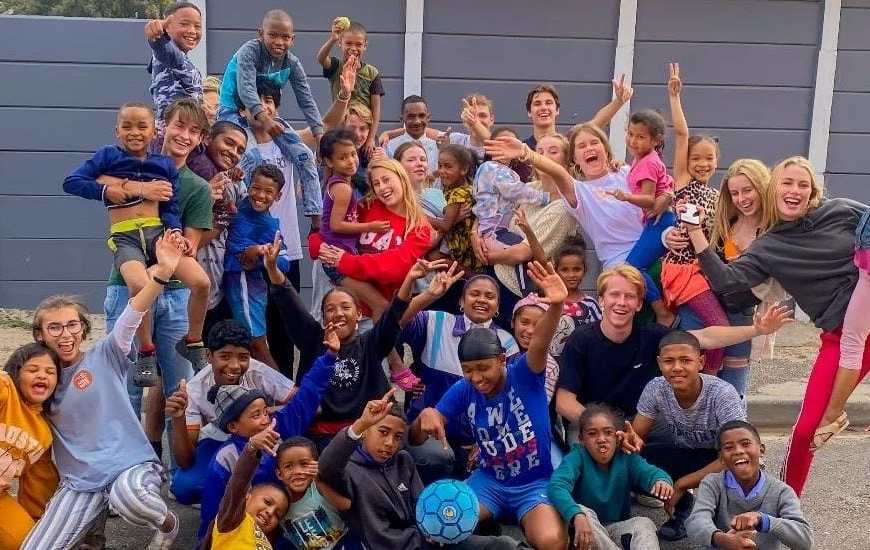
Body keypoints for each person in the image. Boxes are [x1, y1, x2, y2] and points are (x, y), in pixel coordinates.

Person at [684, 156, 870, 495]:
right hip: (842, 336)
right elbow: (726, 280)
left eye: (803, 184)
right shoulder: (769, 246)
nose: (794, 190)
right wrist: (695, 233)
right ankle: (788, 505)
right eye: (787, 183)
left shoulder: (841, 210)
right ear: (773, 189)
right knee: (806, 431)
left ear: (813, 191)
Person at [23, 232, 185, 549]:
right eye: (54, 327)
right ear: (40, 335)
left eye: (72, 325)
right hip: (81, 483)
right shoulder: (37, 379)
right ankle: (93, 534)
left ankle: (168, 525)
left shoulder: (106, 353)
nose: (65, 334)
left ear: (83, 329)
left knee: (128, 498)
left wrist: (163, 272)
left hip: (130, 468)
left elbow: (133, 313)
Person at [411, 262, 572, 550]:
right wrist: (426, 415)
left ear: (501, 360)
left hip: (533, 484)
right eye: (468, 370)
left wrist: (557, 305)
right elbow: (416, 437)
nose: (476, 378)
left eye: (483, 368)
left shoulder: (525, 375)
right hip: (489, 482)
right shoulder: (465, 388)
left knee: (552, 542)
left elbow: (540, 342)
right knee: (437, 529)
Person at [64, 100, 212, 383]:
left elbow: (169, 205)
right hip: (126, 236)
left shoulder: (165, 167)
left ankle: (194, 341)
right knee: (139, 286)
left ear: (152, 130)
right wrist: (109, 190)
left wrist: (175, 231)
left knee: (202, 282)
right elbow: (73, 181)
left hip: (158, 236)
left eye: (142, 126)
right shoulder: (109, 156)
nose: (135, 132)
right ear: (117, 130)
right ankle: (146, 351)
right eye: (127, 126)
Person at [554, 265, 790, 429]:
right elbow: (564, 402)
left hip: (641, 424)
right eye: (614, 295)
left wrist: (757, 330)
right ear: (601, 300)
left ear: (639, 304)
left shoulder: (651, 336)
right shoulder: (581, 340)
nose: (621, 303)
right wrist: (602, 427)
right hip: (593, 425)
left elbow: (706, 337)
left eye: (630, 297)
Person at [268, 232, 423, 450]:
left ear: (358, 314)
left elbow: (392, 318)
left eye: (346, 307)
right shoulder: (313, 340)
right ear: (323, 317)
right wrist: (272, 269)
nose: (338, 313)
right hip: (321, 441)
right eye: (330, 309)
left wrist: (409, 280)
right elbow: (290, 304)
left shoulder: (370, 344)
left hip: (367, 438)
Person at [319, 390, 522, 550]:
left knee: (503, 544)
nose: (389, 443)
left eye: (397, 437)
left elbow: (422, 503)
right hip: (400, 546)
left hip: (431, 540)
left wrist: (436, 525)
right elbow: (327, 466)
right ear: (364, 433)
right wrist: (360, 424)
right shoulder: (349, 471)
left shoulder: (403, 461)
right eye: (383, 432)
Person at [197, 329, 339, 542]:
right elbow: (213, 511)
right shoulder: (226, 457)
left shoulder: (278, 426)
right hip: (245, 529)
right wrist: (206, 543)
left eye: (265, 411)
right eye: (256, 415)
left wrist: (329, 358)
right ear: (234, 426)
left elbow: (306, 396)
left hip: (287, 518)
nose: (265, 419)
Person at [667, 158, 776, 407]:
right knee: (694, 384)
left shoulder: (775, 230)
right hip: (702, 304)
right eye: (735, 193)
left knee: (733, 393)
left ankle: (733, 430)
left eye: (747, 190)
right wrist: (672, 233)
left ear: (762, 187)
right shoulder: (723, 219)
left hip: (742, 312)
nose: (741, 198)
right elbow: (687, 240)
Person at [622, 331, 748, 541]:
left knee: (738, 475)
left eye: (685, 360)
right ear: (659, 363)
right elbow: (636, 439)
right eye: (669, 361)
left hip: (723, 460)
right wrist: (627, 441)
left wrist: (682, 484)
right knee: (629, 461)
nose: (677, 367)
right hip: (686, 453)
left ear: (700, 362)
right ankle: (683, 510)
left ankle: (723, 518)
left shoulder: (722, 394)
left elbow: (735, 454)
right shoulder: (656, 388)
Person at [398, 269, 517, 483]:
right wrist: (429, 295)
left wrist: (489, 442)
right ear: (461, 301)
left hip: (480, 438)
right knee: (436, 457)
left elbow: (509, 399)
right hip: (429, 432)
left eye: (489, 296)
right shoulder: (436, 321)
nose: (481, 300)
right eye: (474, 294)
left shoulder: (507, 342)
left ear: (498, 306)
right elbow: (398, 320)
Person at [166, 319, 294, 505]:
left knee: (282, 476)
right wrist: (178, 419)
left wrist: (267, 413)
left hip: (262, 437)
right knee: (184, 487)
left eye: (243, 357)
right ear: (209, 356)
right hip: (219, 440)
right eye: (225, 356)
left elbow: (304, 402)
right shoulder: (195, 389)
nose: (235, 366)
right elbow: (185, 460)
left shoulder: (258, 372)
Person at [217, 8, 323, 224]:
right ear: (260, 34)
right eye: (273, 35)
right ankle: (241, 215)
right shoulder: (249, 52)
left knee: (304, 156)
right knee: (251, 157)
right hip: (235, 113)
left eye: (285, 37)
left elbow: (306, 99)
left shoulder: (292, 63)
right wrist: (265, 120)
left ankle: (316, 218)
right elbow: (246, 89)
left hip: (265, 115)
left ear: (292, 39)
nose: (279, 42)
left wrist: (319, 135)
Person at [661, 62, 731, 376]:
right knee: (719, 327)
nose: (703, 164)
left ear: (717, 161)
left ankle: (702, 375)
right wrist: (675, 98)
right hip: (682, 269)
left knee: (705, 330)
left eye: (709, 158)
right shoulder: (684, 184)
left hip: (704, 271)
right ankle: (708, 377)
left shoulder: (716, 195)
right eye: (695, 158)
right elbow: (681, 134)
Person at [547, 404, 672, 550]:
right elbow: (557, 486)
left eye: (608, 433)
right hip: (584, 529)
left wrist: (661, 481)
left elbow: (649, 472)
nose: (601, 439)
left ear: (618, 437)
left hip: (615, 527)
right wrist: (576, 514)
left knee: (644, 523)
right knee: (583, 511)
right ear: (581, 439)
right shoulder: (577, 457)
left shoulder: (626, 457)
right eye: (592, 434)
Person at [316, 158, 433, 307]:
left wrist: (345, 261)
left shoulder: (420, 228)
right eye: (376, 184)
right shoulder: (366, 206)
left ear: (402, 178)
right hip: (346, 305)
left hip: (382, 311)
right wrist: (319, 246)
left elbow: (394, 268)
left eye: (386, 180)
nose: (382, 188)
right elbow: (332, 230)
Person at [686, 420, 813, 550]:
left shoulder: (781, 491)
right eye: (729, 447)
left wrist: (764, 520)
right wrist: (722, 539)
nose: (738, 451)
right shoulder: (712, 483)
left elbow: (804, 540)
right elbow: (696, 521)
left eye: (745, 444)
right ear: (722, 458)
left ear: (761, 450)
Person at [608, 108, 677, 326]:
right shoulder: (644, 159)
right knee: (635, 267)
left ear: (656, 140)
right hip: (655, 221)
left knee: (634, 267)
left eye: (640, 137)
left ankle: (663, 313)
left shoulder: (648, 162)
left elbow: (649, 199)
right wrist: (621, 165)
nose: (633, 141)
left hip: (660, 221)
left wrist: (626, 197)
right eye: (630, 134)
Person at [318, 127, 391, 317]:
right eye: (343, 157)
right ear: (329, 161)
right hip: (337, 260)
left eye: (352, 154)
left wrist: (360, 204)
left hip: (341, 256)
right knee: (380, 305)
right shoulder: (343, 188)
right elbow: (336, 225)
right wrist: (371, 227)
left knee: (362, 308)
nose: (351, 161)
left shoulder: (340, 184)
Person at [224, 164, 291, 368]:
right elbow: (232, 181)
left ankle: (283, 387)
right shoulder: (243, 204)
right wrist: (233, 173)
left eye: (268, 192)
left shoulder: (269, 225)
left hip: (246, 286)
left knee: (256, 343)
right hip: (234, 285)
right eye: (256, 188)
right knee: (240, 344)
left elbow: (283, 262)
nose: (260, 195)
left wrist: (260, 253)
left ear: (278, 196)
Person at [0, 344, 60, 550]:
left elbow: (39, 482)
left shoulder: (43, 433)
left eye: (50, 372)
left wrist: (38, 520)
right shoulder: (6, 390)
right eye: (33, 369)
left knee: (27, 542)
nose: (42, 375)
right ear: (16, 373)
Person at [206, 420, 290, 549]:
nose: (270, 512)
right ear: (247, 496)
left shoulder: (266, 541)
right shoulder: (232, 521)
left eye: (277, 515)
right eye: (267, 502)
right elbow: (238, 483)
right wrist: (251, 448)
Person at [317, 19, 383, 156]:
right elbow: (321, 59)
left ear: (365, 46)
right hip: (341, 127)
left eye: (358, 44)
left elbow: (376, 110)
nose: (353, 48)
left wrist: (371, 138)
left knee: (369, 162)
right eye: (348, 43)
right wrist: (332, 39)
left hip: (364, 132)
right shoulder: (336, 66)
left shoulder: (372, 73)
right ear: (340, 43)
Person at [276, 437, 355, 550]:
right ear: (279, 474)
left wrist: (320, 482)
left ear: (316, 465)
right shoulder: (278, 502)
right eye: (288, 466)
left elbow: (346, 506)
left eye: (304, 464)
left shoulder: (318, 486)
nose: (297, 471)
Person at [143, 2, 203, 126]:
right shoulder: (172, 57)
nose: (192, 31)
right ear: (167, 27)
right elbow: (162, 47)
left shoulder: (182, 59)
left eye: (197, 26)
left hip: (186, 127)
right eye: (184, 24)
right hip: (173, 130)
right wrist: (157, 36)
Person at [546, 237, 602, 361]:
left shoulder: (590, 305)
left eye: (577, 269)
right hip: (550, 364)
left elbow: (599, 337)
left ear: (584, 270)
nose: (571, 275)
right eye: (565, 270)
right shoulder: (549, 302)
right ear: (556, 271)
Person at [431, 143, 482, 273]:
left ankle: (470, 276)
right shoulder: (467, 184)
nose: (442, 171)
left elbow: (445, 225)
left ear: (464, 169)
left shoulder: (458, 193)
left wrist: (420, 215)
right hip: (461, 242)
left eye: (448, 167)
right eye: (440, 166)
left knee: (432, 257)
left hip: (464, 247)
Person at [383, 95, 440, 174]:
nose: (417, 121)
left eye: (421, 116)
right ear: (402, 119)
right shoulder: (389, 147)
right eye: (411, 116)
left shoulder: (438, 148)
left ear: (428, 118)